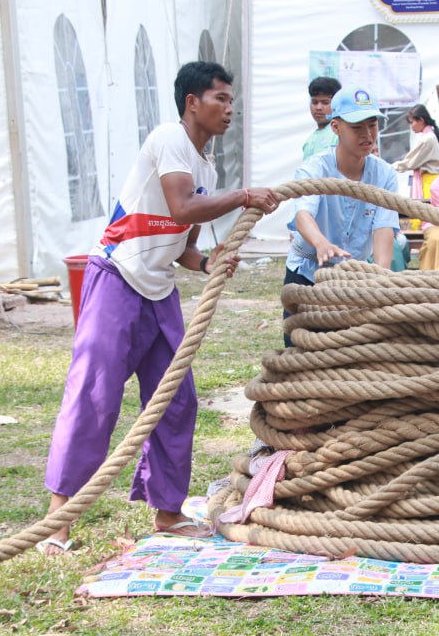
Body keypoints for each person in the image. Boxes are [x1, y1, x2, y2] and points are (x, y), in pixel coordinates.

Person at [40, 62, 280, 555]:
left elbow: (180, 244)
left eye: (232, 100)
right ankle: (56, 523)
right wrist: (244, 196)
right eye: (220, 99)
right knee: (94, 397)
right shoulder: (170, 138)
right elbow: (181, 208)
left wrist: (209, 263)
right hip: (116, 280)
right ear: (192, 102)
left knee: (177, 400)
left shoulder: (206, 166)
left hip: (158, 290)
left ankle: (167, 513)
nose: (229, 109)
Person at [284, 87, 399, 346]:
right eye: (357, 127)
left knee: (346, 365)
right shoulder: (315, 168)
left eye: (372, 125)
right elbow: (303, 214)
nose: (368, 134)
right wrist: (321, 244)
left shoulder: (385, 175)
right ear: (335, 127)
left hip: (353, 281)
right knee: (300, 359)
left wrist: (381, 280)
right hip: (308, 275)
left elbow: (384, 229)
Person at [392, 104, 439, 205]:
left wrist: (390, 167)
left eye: (412, 123)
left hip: (429, 182)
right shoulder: (428, 135)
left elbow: (409, 163)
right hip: (431, 180)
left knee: (427, 216)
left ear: (421, 120)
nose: (411, 127)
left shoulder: (427, 139)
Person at [301, 76, 341, 160]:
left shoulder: (339, 134)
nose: (318, 107)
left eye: (325, 102)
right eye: (314, 102)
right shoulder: (309, 140)